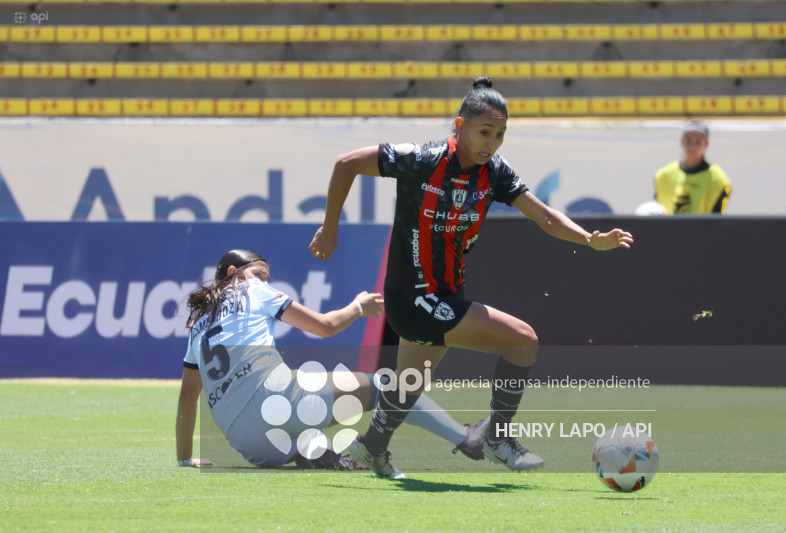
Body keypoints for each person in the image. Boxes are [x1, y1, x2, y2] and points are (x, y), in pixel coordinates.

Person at [309, 76, 634, 479]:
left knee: (408, 386)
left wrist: (589, 240)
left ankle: (371, 446)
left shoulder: (494, 173)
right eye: (484, 132)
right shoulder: (420, 159)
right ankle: (498, 436)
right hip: (413, 297)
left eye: (500, 135)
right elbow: (346, 164)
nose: (492, 143)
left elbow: (545, 217)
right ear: (459, 126)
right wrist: (330, 228)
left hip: (444, 293)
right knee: (523, 342)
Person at [176, 249, 480, 472]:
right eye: (260, 274)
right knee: (386, 386)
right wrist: (358, 307)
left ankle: (312, 450)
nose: (265, 282)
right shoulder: (252, 289)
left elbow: (188, 398)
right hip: (274, 401)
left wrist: (185, 458)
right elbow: (326, 326)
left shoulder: (199, 325)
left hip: (251, 447)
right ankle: (465, 437)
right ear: (233, 272)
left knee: (307, 427)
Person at [654, 120, 732, 214]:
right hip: (669, 228)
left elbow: (717, 219)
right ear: (682, 141)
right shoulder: (663, 175)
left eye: (698, 142)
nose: (693, 147)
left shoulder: (718, 179)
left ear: (706, 144)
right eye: (689, 141)